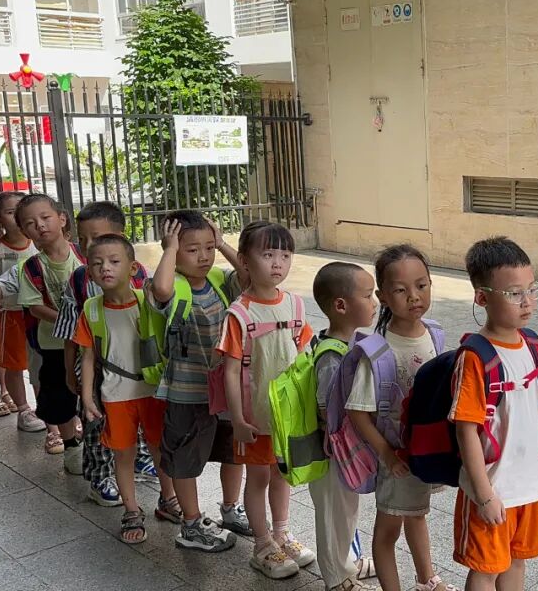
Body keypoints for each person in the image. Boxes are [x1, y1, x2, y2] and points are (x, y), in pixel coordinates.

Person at [343, 245, 455, 591]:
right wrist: (387, 455)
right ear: (383, 296)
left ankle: (427, 580)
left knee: (417, 514)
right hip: (395, 456)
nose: (414, 297)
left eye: (422, 286)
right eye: (401, 290)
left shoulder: (434, 333)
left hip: (422, 450)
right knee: (388, 529)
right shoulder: (376, 349)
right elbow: (358, 414)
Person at [449, 237, 538, 591]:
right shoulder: (475, 357)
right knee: (485, 568)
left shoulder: (533, 345)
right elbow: (467, 430)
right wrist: (483, 494)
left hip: (527, 484)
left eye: (532, 289)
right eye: (513, 293)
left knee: (516, 560)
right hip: (493, 486)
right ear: (482, 297)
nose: (527, 301)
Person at [147, 210, 249, 551]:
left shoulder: (220, 279)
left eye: (208, 247)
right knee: (186, 457)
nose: (203, 256)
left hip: (227, 391)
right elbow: (160, 288)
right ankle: (191, 524)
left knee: (234, 453)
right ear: (174, 250)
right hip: (188, 392)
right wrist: (168, 249)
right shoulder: (168, 284)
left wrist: (223, 244)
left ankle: (230, 508)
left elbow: (250, 278)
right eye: (192, 249)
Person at [218, 221, 314, 579]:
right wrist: (239, 420)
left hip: (286, 416)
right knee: (257, 477)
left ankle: (281, 533)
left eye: (285, 255)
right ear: (244, 260)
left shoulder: (295, 305)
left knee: (282, 474)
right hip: (255, 418)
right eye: (267, 254)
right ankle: (261, 544)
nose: (277, 263)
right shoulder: (239, 314)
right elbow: (229, 371)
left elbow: (303, 359)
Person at [52, 202, 156, 508]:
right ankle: (99, 477)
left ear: (121, 237)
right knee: (96, 421)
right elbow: (71, 333)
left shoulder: (140, 277)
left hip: (134, 367)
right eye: (83, 240)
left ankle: (137, 460)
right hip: (94, 368)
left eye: (98, 237)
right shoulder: (80, 279)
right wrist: (71, 373)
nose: (90, 246)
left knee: (136, 419)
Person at [74, 234, 175, 544]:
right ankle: (131, 509)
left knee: (160, 449)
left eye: (114, 262)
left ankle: (168, 500)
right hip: (116, 395)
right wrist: (88, 395)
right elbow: (88, 357)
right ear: (89, 272)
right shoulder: (91, 310)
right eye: (97, 263)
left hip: (151, 390)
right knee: (124, 454)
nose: (106, 268)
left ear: (132, 268)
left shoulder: (147, 302)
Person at [309, 262, 379, 591]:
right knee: (333, 515)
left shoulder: (351, 343)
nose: (375, 301)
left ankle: (346, 564)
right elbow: (327, 406)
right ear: (341, 305)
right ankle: (337, 579)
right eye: (367, 295)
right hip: (334, 450)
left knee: (346, 510)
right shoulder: (332, 355)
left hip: (345, 448)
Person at [13, 194, 86, 474]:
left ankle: (96, 442)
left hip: (90, 342)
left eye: (45, 218)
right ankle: (70, 446)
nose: (40, 226)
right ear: (24, 231)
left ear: (62, 219)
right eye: (31, 223)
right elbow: (34, 307)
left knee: (94, 391)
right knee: (59, 395)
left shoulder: (84, 257)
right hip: (54, 344)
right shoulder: (31, 267)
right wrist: (71, 321)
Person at [0, 192, 41, 432]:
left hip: (38, 314)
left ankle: (44, 407)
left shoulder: (39, 244)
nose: (17, 217)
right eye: (10, 212)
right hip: (10, 315)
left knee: (39, 363)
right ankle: (23, 409)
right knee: (14, 364)